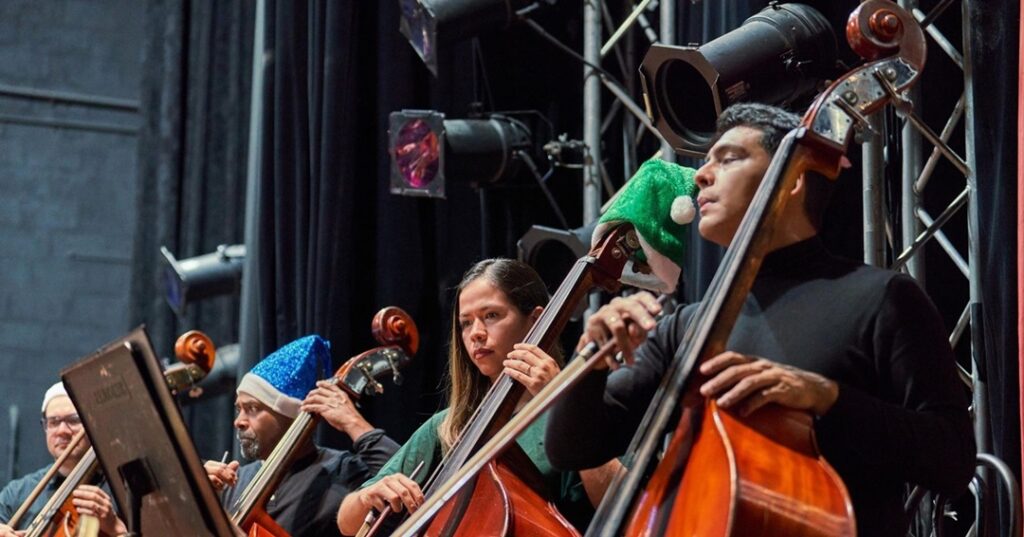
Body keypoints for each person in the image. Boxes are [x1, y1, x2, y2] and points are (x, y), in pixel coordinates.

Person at [544, 103, 976, 536]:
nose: (700, 175)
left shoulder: (881, 298)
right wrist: (592, 363)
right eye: (706, 160)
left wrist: (827, 397)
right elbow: (570, 449)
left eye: (728, 158)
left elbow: (953, 459)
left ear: (793, 180)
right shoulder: (688, 326)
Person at [335, 259, 619, 536]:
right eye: (466, 323)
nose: (476, 334)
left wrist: (564, 403)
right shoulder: (450, 426)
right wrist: (367, 497)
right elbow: (347, 523)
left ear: (535, 320)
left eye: (491, 316)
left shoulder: (587, 404)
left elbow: (620, 499)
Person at [205, 335, 400, 537]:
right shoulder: (235, 482)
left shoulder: (341, 470)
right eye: (239, 409)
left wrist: (353, 422)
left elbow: (408, 476)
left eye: (253, 408)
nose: (239, 421)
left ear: (290, 417)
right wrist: (197, 501)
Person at [0, 382, 126, 537]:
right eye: (53, 422)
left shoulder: (124, 487)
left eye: (73, 420)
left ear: (91, 422)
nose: (62, 431)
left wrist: (117, 529)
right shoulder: (18, 492)